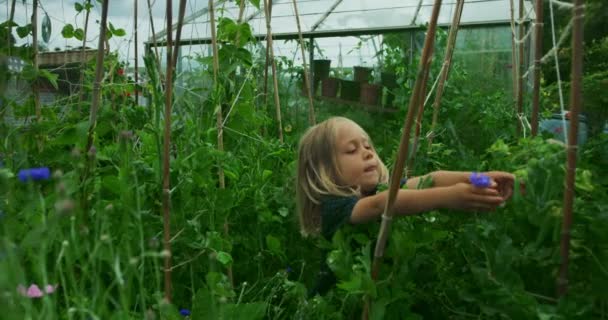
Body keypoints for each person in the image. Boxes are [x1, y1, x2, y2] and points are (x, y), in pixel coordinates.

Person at [296, 117, 515, 296]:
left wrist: (481, 178)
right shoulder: (333, 207)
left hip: (374, 293)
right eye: (352, 150)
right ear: (324, 170)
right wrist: (448, 197)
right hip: (338, 302)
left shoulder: (376, 191)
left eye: (367, 145)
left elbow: (430, 179)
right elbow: (379, 205)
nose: (367, 153)